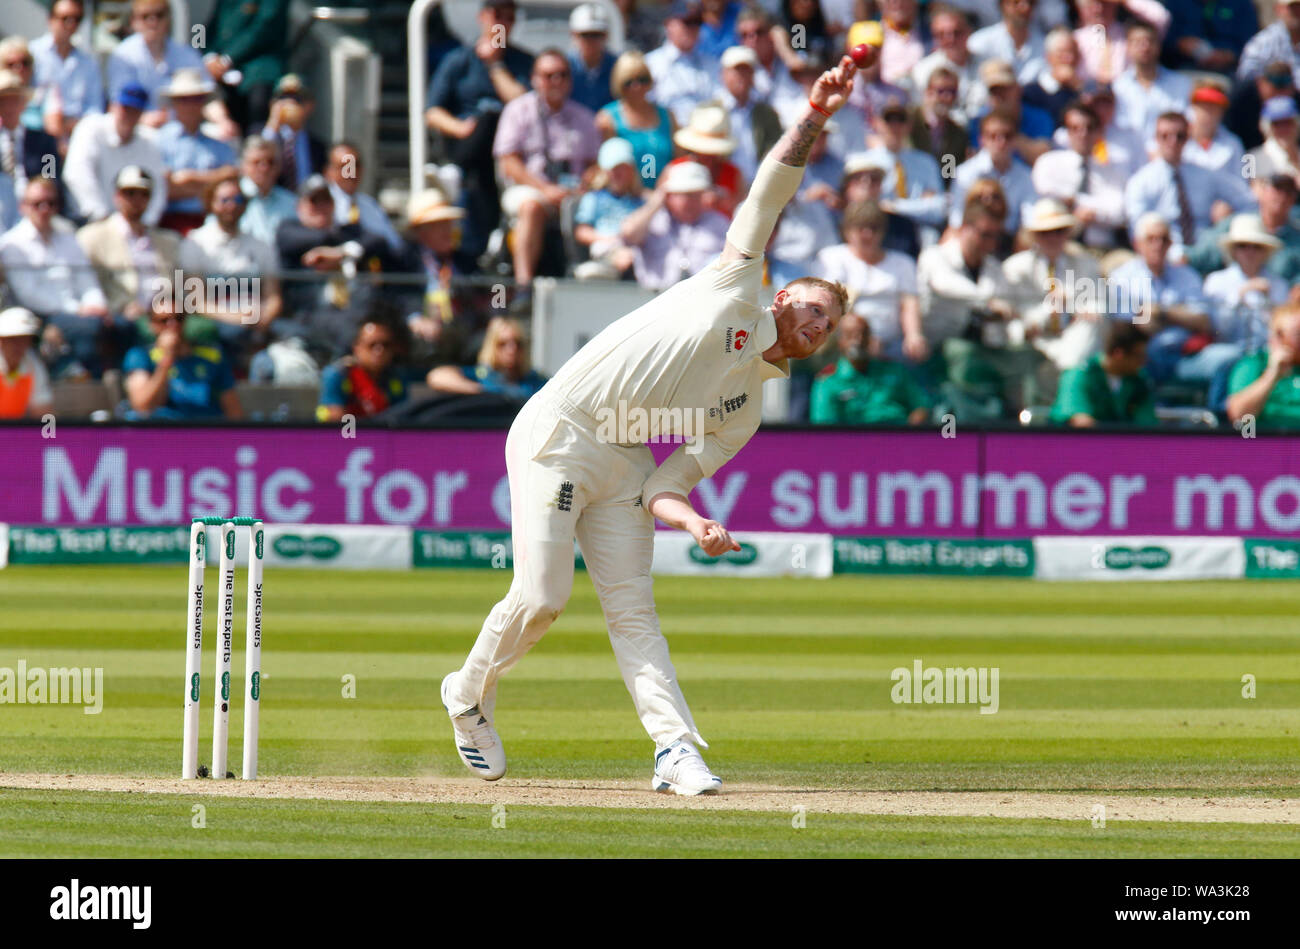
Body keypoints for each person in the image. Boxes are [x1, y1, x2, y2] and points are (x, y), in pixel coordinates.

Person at [438, 55, 857, 794]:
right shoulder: (734, 287)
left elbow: (669, 484)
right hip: (561, 432)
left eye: (830, 323)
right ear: (783, 295)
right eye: (814, 307)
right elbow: (769, 190)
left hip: (627, 463)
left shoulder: (751, 407)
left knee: (634, 613)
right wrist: (815, 116)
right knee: (542, 597)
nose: (819, 324)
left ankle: (675, 750)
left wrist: (694, 524)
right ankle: (466, 692)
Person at [425, 0, 533, 255]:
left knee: (494, 116)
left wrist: (495, 65)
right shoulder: (458, 60)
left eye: (509, 17)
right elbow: (433, 112)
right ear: (483, 17)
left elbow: (521, 103)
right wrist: (460, 128)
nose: (502, 23)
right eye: (497, 15)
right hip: (467, 145)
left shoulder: (523, 61)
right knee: (485, 120)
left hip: (507, 152)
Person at [493, 49, 601, 284]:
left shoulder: (584, 117)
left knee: (597, 206)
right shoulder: (517, 111)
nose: (556, 81)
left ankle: (588, 278)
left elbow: (594, 165)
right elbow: (508, 162)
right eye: (548, 75)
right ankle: (524, 285)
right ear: (534, 78)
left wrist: (584, 185)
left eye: (562, 75)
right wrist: (545, 189)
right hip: (529, 188)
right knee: (531, 207)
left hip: (573, 192)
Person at [1108, 212, 1239, 393]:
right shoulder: (1121, 278)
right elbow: (1125, 329)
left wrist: (1163, 313)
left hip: (1185, 355)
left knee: (1231, 357)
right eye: (1151, 239)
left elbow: (1205, 321)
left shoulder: (1187, 275)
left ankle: (1223, 417)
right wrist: (1180, 316)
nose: (1158, 245)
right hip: (1144, 358)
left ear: (1170, 243)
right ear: (1137, 244)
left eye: (1163, 239)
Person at [0, 177, 111, 377]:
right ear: (23, 206)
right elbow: (30, 295)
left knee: (119, 324)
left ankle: (89, 379)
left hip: (76, 314)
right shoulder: (11, 244)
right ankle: (80, 377)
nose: (44, 209)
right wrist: (80, 310)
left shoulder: (69, 238)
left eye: (50, 203)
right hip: (40, 315)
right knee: (90, 328)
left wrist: (97, 305)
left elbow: (87, 281)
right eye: (37, 204)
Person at [275, 174, 393, 358]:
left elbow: (380, 242)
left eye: (326, 201)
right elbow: (300, 239)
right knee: (351, 329)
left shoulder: (346, 231)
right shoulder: (288, 229)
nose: (321, 208)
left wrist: (340, 254)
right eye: (314, 201)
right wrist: (338, 248)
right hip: (308, 314)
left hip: (352, 309)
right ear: (299, 207)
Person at [76, 165, 181, 360]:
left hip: (164, 315)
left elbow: (177, 286)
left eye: (143, 194)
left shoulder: (168, 241)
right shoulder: (92, 237)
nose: (136, 200)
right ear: (117, 195)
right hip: (122, 316)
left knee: (201, 329)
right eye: (130, 193)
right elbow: (86, 286)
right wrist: (120, 306)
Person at [1002, 199, 1103, 397]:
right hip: (1036, 339)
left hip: (1073, 339)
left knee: (1092, 326)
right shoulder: (1015, 268)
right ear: (1035, 237)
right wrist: (1049, 310)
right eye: (1045, 233)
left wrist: (1074, 305)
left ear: (1067, 233)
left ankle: (1070, 393)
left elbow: (1097, 304)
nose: (1053, 238)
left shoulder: (1086, 264)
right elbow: (1012, 314)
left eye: (1059, 231)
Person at [1125, 112, 1256, 257]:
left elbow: (1247, 201)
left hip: (1204, 254)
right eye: (1165, 136)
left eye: (1179, 136)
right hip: (1163, 256)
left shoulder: (1204, 174)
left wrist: (1230, 225)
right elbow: (1136, 229)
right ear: (1156, 138)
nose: (1172, 141)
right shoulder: (1141, 181)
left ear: (1188, 137)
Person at [179, 172, 282, 355]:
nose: (232, 205)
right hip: (217, 325)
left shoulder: (262, 246)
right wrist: (239, 319)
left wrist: (263, 319)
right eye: (224, 200)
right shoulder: (195, 243)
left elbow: (273, 296)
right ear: (211, 203)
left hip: (256, 323)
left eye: (237, 199)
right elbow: (197, 301)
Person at [814, 199, 924, 362]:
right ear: (847, 230)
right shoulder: (832, 258)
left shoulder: (903, 263)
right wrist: (864, 339)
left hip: (892, 345)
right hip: (844, 343)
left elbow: (909, 304)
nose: (867, 234)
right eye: (860, 228)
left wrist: (914, 335)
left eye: (874, 228)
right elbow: (832, 305)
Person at [63, 83, 168, 226]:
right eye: (125, 108)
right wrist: (101, 216)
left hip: (135, 227)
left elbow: (158, 188)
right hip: (88, 221)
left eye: (135, 110)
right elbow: (77, 174)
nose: (129, 115)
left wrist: (147, 223)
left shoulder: (150, 140)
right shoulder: (90, 127)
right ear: (113, 106)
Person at [1032, 100, 1127, 249]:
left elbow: (1119, 212)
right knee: (1072, 270)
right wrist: (1096, 207)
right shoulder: (1049, 162)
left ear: (1099, 132)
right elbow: (1047, 193)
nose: (1083, 134)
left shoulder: (1110, 171)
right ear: (1067, 131)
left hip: (1102, 248)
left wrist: (1081, 206)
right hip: (1061, 248)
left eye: (1089, 128)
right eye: (1075, 128)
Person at [123, 301, 242, 419]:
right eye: (164, 320)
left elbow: (233, 410)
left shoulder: (212, 356)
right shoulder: (139, 356)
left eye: (178, 318)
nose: (172, 325)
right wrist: (167, 359)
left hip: (204, 429)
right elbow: (143, 406)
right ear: (151, 324)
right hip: (162, 431)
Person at [621, 160, 729, 289]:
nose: (691, 202)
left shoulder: (718, 223)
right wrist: (655, 203)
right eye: (685, 195)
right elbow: (628, 234)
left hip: (704, 299)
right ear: (669, 195)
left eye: (697, 195)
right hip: (654, 298)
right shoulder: (654, 221)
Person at [155, 70, 238, 234]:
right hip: (171, 222)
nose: (191, 105)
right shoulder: (159, 141)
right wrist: (214, 180)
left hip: (212, 222)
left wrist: (189, 178)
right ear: (174, 103)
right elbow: (164, 189)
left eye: (197, 98)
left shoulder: (219, 144)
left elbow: (232, 179)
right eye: (184, 99)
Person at [810, 312, 931, 424]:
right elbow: (825, 429)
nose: (858, 340)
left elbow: (921, 406)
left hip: (898, 438)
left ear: (870, 339)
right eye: (850, 335)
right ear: (840, 341)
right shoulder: (829, 382)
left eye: (863, 334)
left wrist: (910, 433)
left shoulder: (894, 370)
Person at [107, 0, 205, 127]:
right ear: (133, 21)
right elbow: (116, 106)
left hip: (181, 126)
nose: (152, 22)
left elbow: (206, 94)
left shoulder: (187, 54)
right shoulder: (123, 55)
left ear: (168, 18)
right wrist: (143, 119)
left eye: (159, 15)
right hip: (138, 128)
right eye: (145, 17)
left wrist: (223, 120)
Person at [1186, 173, 1300, 281]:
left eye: (1288, 192)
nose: (1282, 196)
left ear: (1293, 199)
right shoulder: (1239, 222)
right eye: (1277, 189)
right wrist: (1185, 258)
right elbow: (1205, 253)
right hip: (1235, 295)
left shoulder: (1296, 236)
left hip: (1280, 297)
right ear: (1263, 192)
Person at [1203, 214, 1290, 355]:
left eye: (1256, 247)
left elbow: (1282, 331)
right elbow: (1217, 330)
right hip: (1228, 352)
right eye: (1242, 246)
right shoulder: (1216, 281)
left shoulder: (1278, 285)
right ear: (1233, 251)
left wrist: (1268, 302)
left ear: (1265, 252)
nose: (1250, 252)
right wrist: (1239, 296)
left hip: (1266, 352)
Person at [201, 0, 291, 130]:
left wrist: (227, 59)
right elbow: (209, 26)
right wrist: (208, 57)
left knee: (258, 107)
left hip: (259, 68)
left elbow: (265, 27)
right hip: (221, 71)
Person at [1050, 320, 1156, 426]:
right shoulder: (1078, 375)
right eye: (1139, 356)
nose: (1143, 362)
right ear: (1118, 354)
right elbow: (1080, 421)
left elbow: (1147, 423)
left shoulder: (1139, 380)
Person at [949, 108, 1037, 236]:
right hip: (973, 237)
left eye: (1007, 136)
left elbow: (1030, 219)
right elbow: (956, 220)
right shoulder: (965, 173)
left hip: (1010, 240)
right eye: (993, 136)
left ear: (1016, 139)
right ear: (982, 140)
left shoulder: (1025, 176)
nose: (1001, 142)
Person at [30, 0, 104, 146]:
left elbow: (96, 108)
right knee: (47, 167)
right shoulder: (32, 54)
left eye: (76, 19)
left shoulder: (89, 63)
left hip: (79, 137)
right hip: (39, 134)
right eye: (65, 18)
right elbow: (23, 100)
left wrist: (72, 127)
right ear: (50, 19)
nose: (70, 24)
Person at [597, 52, 677, 188]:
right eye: (629, 82)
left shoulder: (667, 115)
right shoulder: (607, 118)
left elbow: (677, 160)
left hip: (665, 194)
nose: (637, 86)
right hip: (628, 199)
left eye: (642, 79)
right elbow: (607, 166)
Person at [573, 137, 645, 279]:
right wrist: (609, 240)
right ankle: (607, 271)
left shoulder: (640, 201)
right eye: (614, 169)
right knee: (612, 253)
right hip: (604, 248)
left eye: (624, 168)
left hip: (636, 250)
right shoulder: (593, 198)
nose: (618, 174)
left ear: (632, 171)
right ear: (604, 172)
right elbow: (582, 231)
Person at [427, 315, 547, 401]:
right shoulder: (482, 374)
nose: (512, 349)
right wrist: (482, 392)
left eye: (517, 343)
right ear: (492, 346)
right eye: (503, 343)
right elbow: (437, 376)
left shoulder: (534, 378)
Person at [0, 68, 63, 230]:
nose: (8, 107)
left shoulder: (43, 140)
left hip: (35, 209)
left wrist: (36, 196)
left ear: (23, 104)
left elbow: (51, 177)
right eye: (3, 101)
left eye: (14, 100)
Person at [1111, 21, 1191, 142]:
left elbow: (1188, 126)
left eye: (1150, 41)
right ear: (1128, 47)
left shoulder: (1181, 84)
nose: (1145, 47)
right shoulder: (1117, 87)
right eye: (1138, 42)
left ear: (1159, 46)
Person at [317, 317, 408, 422]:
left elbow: (403, 417)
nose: (379, 350)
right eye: (372, 345)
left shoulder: (396, 378)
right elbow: (334, 418)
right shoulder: (339, 374)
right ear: (357, 347)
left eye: (385, 345)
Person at [645, 1, 721, 125]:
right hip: (667, 136)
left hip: (705, 138)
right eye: (687, 22)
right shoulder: (651, 64)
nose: (692, 28)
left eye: (697, 23)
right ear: (669, 24)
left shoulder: (712, 64)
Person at [718, 46, 783, 186]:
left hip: (759, 187)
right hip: (723, 188)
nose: (741, 76)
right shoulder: (711, 110)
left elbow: (775, 150)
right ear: (723, 74)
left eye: (746, 71)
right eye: (736, 71)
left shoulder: (767, 113)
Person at [1226, 302, 1300, 427]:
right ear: (1278, 336)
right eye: (1298, 334)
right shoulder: (1253, 365)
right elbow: (1240, 417)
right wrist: (1272, 375)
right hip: (1264, 443)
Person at [324, 142, 403, 256]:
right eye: (344, 166)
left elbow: (394, 244)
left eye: (355, 165)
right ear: (329, 171)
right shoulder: (320, 202)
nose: (350, 173)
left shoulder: (370, 205)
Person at [255, 75, 326, 194]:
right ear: (272, 104)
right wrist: (273, 125)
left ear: (310, 105)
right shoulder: (260, 133)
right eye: (283, 98)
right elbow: (257, 158)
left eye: (297, 99)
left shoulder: (318, 146)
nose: (290, 103)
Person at [1073, 0, 1170, 84]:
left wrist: (1125, 1)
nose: (1099, 9)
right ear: (1082, 9)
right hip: (1090, 99)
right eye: (1092, 4)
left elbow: (1160, 17)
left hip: (1129, 97)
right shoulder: (1076, 39)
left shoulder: (1128, 33)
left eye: (1105, 4)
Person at [968, 0, 1047, 85]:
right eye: (1016, 2)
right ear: (1002, 5)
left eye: (1030, 3)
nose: (1025, 8)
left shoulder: (1046, 45)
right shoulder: (979, 42)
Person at [907, 66, 968, 177]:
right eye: (941, 91)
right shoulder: (909, 121)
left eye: (952, 92)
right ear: (928, 92)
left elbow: (948, 174)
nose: (947, 97)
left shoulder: (957, 134)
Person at [237, 136, 297, 246]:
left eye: (270, 162)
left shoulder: (291, 202)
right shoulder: (230, 197)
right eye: (256, 162)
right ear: (243, 165)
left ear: (279, 166)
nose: (264, 168)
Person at [0, 307, 54, 420]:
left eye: (24, 339)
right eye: (12, 339)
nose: (18, 346)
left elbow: (43, 412)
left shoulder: (33, 366)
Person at [1181, 82, 1244, 176]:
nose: (1209, 113)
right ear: (1193, 107)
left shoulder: (1233, 143)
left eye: (1214, 107)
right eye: (1204, 106)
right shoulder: (1177, 140)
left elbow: (1241, 183)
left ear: (1222, 111)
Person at [568, 3, 619, 113]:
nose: (591, 40)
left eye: (596, 34)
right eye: (585, 35)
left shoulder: (618, 67)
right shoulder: (563, 68)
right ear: (573, 35)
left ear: (606, 35)